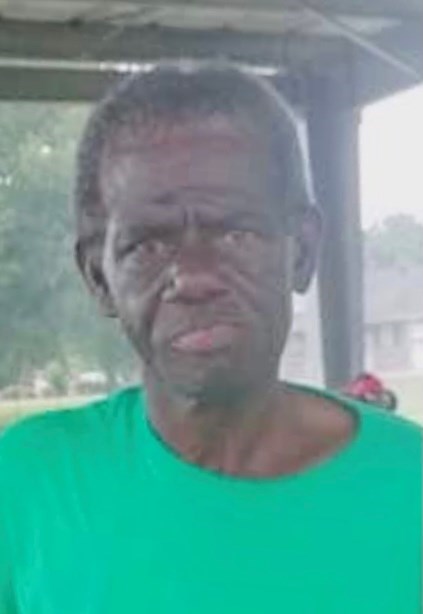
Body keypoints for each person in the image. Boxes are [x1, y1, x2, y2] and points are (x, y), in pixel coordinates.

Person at [0, 62, 420, 614]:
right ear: (100, 278)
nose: (194, 277)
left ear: (301, 251)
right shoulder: (29, 486)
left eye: (236, 233)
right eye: (148, 246)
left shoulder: (410, 486)